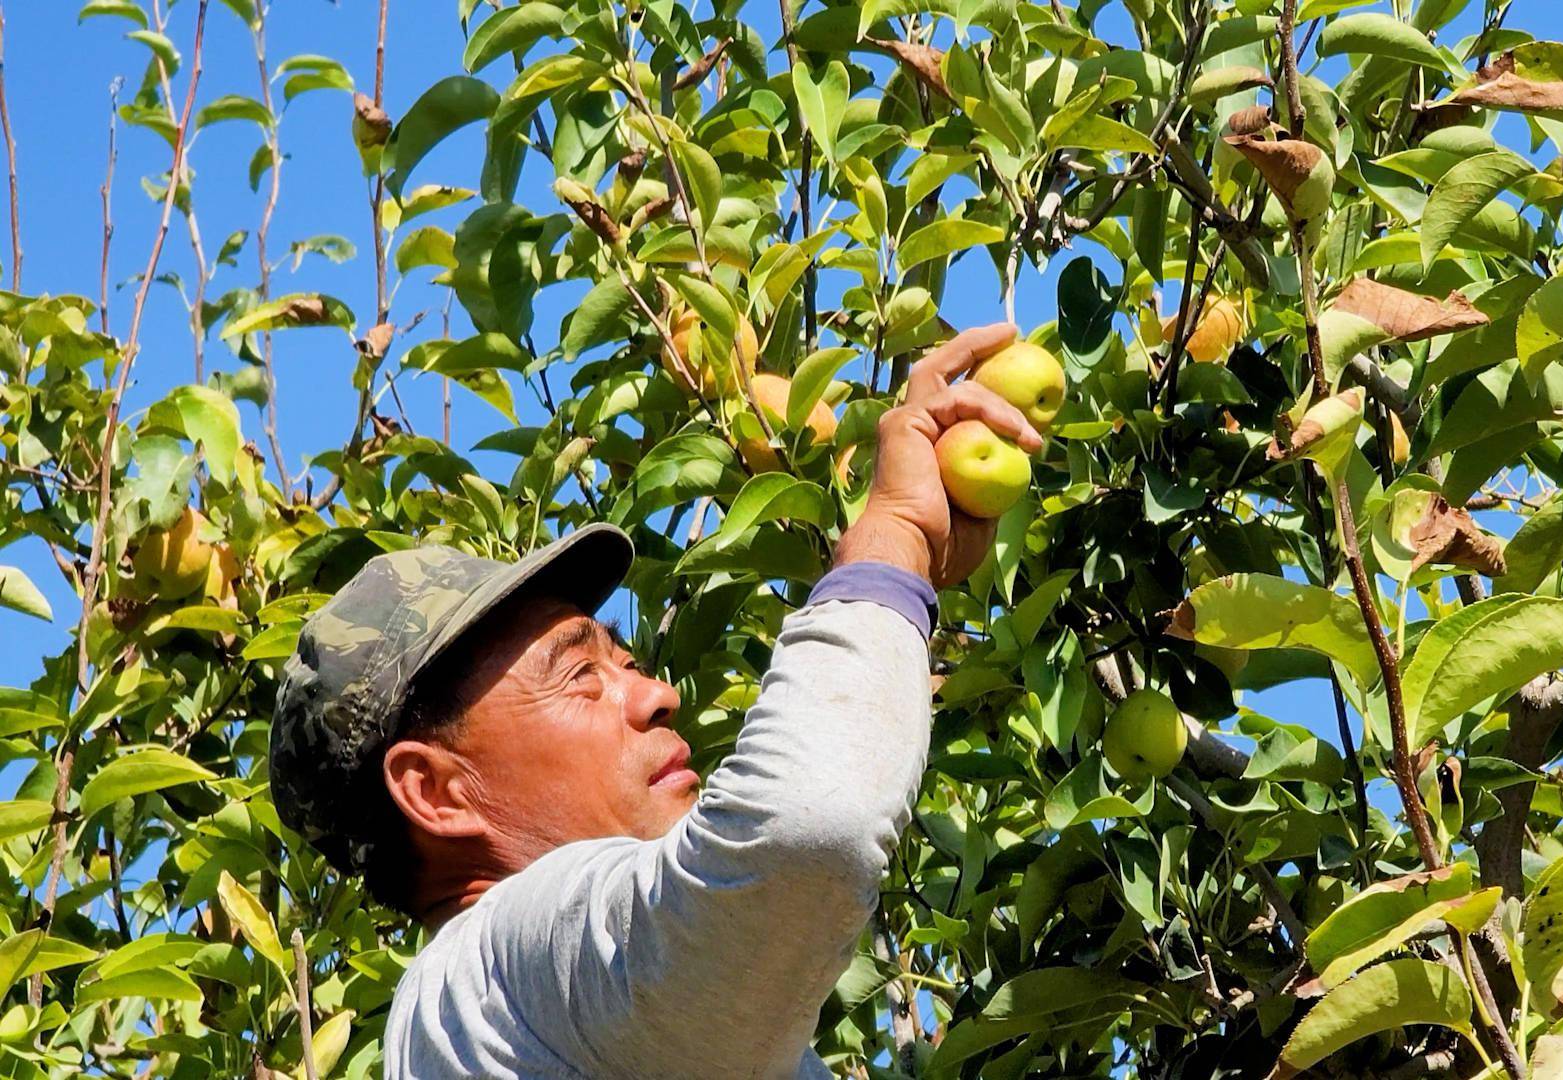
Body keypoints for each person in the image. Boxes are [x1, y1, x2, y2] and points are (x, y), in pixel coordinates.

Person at [267, 324, 1040, 1079]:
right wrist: (892, 538)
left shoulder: (552, 1019)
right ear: (436, 791)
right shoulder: (495, 968)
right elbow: (805, 831)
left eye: (628, 661)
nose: (658, 696)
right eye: (578, 677)